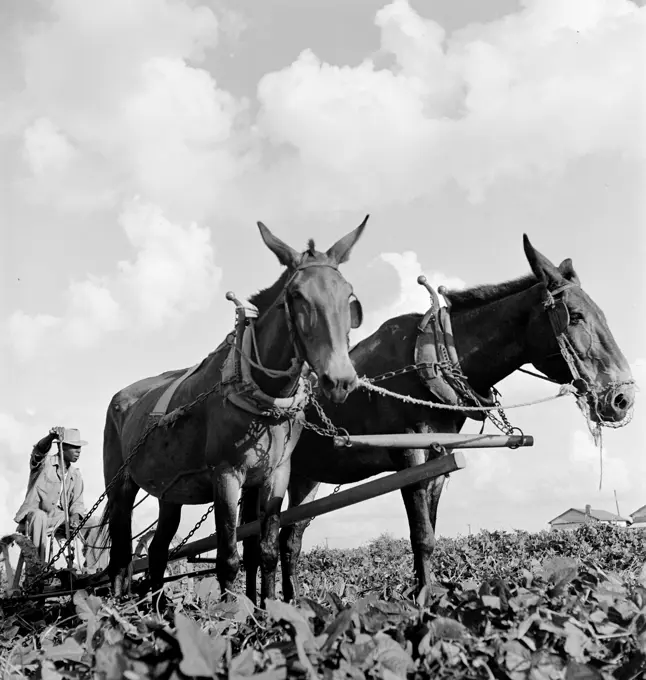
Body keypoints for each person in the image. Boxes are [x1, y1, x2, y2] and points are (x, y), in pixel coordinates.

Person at [13, 426, 87, 563]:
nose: (79, 451)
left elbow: (77, 503)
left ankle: (96, 568)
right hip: (36, 516)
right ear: (62, 447)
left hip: (60, 519)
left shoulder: (76, 475)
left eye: (80, 448)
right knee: (40, 516)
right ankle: (37, 568)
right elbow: (39, 451)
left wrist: (75, 516)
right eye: (74, 447)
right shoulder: (44, 464)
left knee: (94, 523)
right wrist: (51, 437)